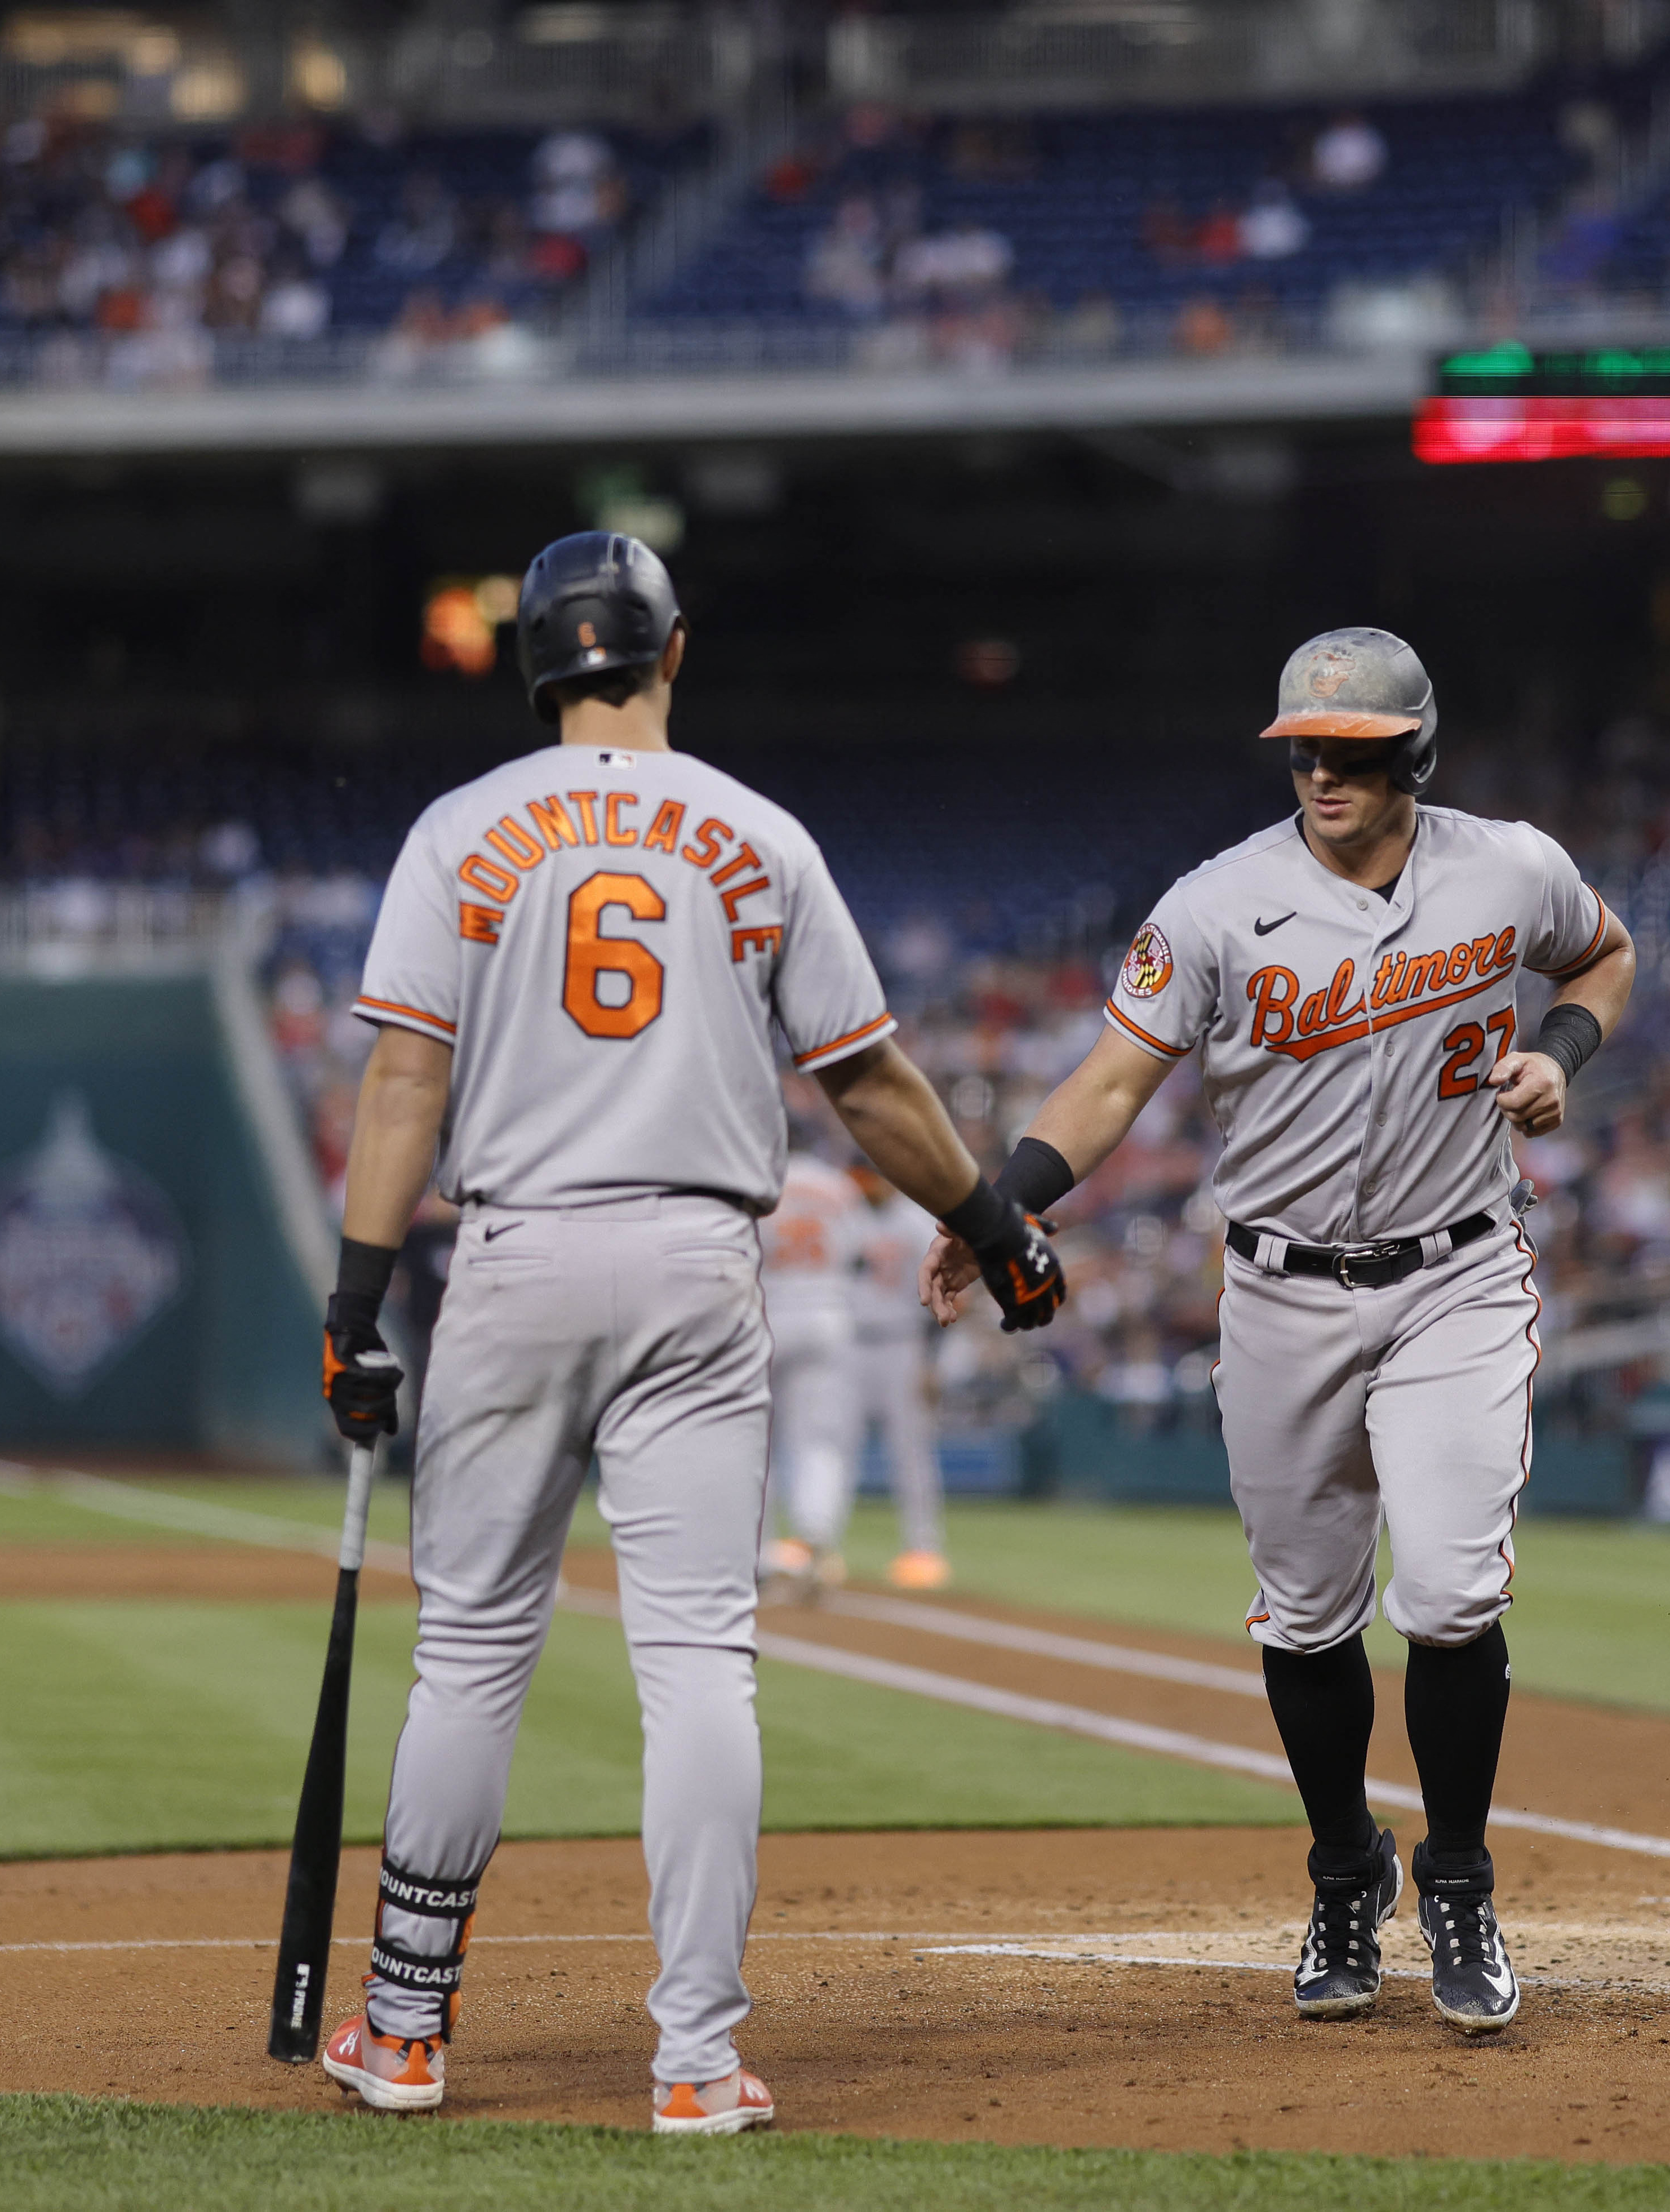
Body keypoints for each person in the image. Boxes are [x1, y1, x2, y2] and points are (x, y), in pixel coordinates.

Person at [316, 531, 1065, 2133]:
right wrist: (993, 1226)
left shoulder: (458, 832)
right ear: (669, 653)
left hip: (510, 1252)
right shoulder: (755, 833)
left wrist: (352, 1299)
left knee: (464, 1652)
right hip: (692, 1259)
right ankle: (694, 2058)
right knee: (697, 1661)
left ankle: (397, 2027)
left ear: (532, 662)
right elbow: (864, 1083)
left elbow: (399, 1084)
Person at [924, 628, 1635, 2036]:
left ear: (1412, 756)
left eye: (1351, 750)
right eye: (1302, 747)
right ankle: (1341, 1866)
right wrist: (1001, 1204)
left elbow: (1603, 950)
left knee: (1444, 1590)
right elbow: (1115, 1079)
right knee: (1308, 1614)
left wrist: (1563, 1049)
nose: (1319, 770)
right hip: (1281, 1288)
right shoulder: (1216, 904)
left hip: (1457, 1276)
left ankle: (1459, 1877)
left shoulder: (1508, 865)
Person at [759, 1142, 863, 1596]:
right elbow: (859, 1252)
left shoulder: (759, 1177)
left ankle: (755, 1556)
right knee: (818, 1439)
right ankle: (816, 1541)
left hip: (768, 1312)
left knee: (754, 1439)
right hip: (828, 1315)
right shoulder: (838, 1186)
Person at [846, 1157, 950, 1587]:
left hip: (903, 1342)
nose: (867, 1187)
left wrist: (931, 1362)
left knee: (911, 1450)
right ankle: (817, 1544)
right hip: (848, 1343)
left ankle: (923, 1549)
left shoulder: (916, 1221)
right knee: (835, 1446)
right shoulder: (844, 1218)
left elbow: (942, 1292)